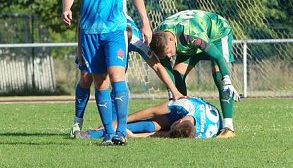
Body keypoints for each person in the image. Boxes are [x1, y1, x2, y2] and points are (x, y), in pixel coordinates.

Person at [62, 0, 153, 146]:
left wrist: (144, 21)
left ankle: (121, 132)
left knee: (117, 76)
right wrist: (66, 7)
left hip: (115, 29)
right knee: (99, 81)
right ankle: (107, 134)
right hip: (89, 31)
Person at [69, 15, 185, 137]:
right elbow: (82, 25)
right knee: (86, 77)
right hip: (98, 36)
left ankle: (112, 129)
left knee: (116, 81)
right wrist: (79, 51)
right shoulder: (98, 18)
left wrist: (175, 91)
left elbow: (157, 66)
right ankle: (77, 122)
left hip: (117, 42)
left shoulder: (138, 40)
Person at [150, 9, 240, 139]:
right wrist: (173, 93)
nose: (169, 56)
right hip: (188, 42)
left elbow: (218, 57)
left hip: (217, 35)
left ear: (171, 39)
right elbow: (167, 69)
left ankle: (229, 127)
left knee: (219, 76)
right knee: (177, 74)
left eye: (169, 51)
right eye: (166, 54)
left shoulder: (191, 34)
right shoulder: (160, 37)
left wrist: (227, 80)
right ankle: (181, 117)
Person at [79, 96, 222, 139]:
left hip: (211, 118)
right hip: (196, 107)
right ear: (178, 121)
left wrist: (133, 136)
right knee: (151, 122)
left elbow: (162, 134)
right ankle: (96, 132)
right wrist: (120, 122)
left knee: (151, 127)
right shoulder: (184, 105)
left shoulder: (196, 135)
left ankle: (90, 135)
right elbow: (152, 111)